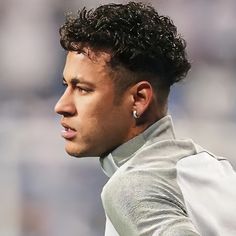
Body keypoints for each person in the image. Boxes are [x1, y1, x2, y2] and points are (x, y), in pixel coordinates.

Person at [54, 2, 236, 235]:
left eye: (83, 89)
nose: (62, 106)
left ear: (139, 99)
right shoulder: (214, 168)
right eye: (65, 86)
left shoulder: (132, 185)